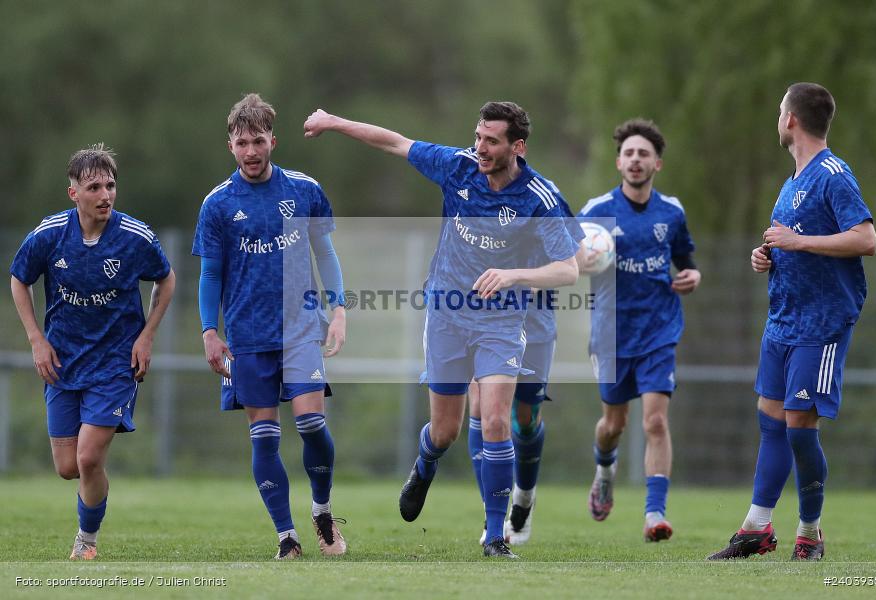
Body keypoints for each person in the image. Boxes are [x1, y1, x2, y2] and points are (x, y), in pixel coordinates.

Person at [304, 101, 579, 558]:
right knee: (445, 430)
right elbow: (394, 141)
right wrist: (334, 122)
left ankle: (495, 537)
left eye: (492, 141)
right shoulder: (458, 167)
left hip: (502, 320)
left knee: (494, 419)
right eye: (478, 137)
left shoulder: (539, 197)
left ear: (518, 146)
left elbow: (568, 270)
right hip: (447, 313)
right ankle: (425, 464)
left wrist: (512, 276)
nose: (481, 148)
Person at [708, 83, 876, 561]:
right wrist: (769, 256)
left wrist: (798, 244)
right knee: (772, 421)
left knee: (801, 428)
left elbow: (866, 238)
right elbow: (794, 240)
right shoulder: (794, 180)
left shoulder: (833, 174)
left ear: (790, 120)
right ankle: (757, 528)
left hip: (821, 324)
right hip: (782, 319)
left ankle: (810, 532)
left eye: (779, 110)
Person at [193, 93, 348, 559]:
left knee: (311, 423)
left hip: (301, 327)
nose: (251, 151)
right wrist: (208, 330)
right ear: (231, 146)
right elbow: (211, 274)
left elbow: (326, 254)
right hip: (245, 336)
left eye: (258, 141)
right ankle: (287, 537)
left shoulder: (303, 190)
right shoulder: (218, 205)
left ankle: (322, 513)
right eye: (242, 142)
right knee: (263, 436)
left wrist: (338, 309)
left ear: (273, 141)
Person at [10, 144, 176, 560]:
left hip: (116, 363)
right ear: (74, 194)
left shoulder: (135, 237)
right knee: (68, 467)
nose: (106, 194)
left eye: (111, 185)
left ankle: (86, 540)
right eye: (95, 187)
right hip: (63, 362)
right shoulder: (49, 235)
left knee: (87, 456)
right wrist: (36, 339)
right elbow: (18, 280)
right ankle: (92, 489)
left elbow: (166, 279)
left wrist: (147, 335)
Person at [578, 119, 700, 542]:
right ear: (618, 162)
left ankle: (654, 515)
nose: (635, 160)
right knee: (614, 424)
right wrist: (583, 259)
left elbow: (686, 260)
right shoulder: (595, 212)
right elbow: (567, 258)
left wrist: (692, 276)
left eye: (643, 154)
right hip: (611, 334)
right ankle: (605, 471)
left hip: (658, 330)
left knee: (654, 422)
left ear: (657, 164)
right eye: (629, 153)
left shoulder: (672, 211)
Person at [468, 193, 585, 547]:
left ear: (516, 146)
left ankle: (524, 495)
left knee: (525, 420)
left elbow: (576, 258)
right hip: (485, 322)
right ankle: (494, 518)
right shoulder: (469, 193)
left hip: (535, 326)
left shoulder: (544, 198)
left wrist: (531, 279)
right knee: (483, 411)